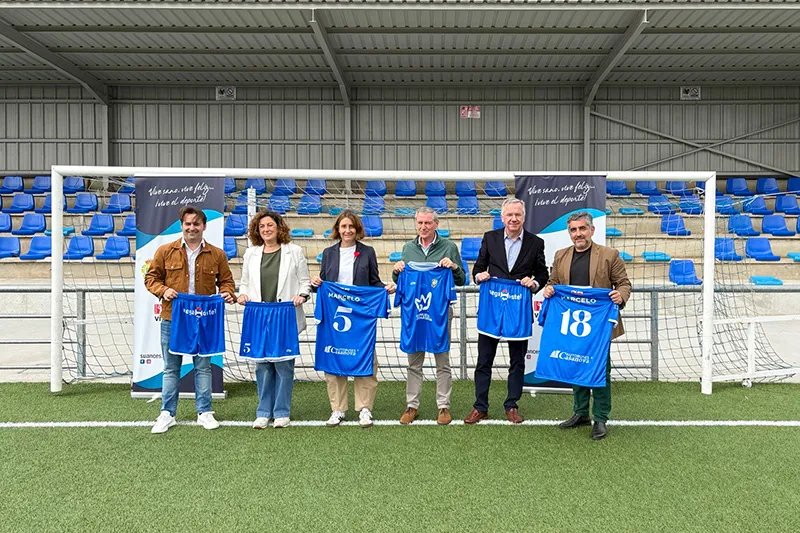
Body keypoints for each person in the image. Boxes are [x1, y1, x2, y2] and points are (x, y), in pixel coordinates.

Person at [145, 205, 236, 434]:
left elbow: (226, 282)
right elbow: (151, 278)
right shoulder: (165, 251)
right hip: (172, 318)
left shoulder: (217, 254)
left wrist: (227, 292)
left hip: (204, 320)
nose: (192, 227)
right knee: (171, 368)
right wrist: (163, 290)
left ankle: (204, 412)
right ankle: (167, 413)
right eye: (188, 224)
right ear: (182, 226)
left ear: (204, 226)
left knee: (203, 367)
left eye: (196, 224)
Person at [543, 211, 631, 440]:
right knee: (576, 367)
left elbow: (623, 283)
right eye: (573, 230)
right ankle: (580, 412)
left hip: (599, 327)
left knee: (600, 370)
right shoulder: (561, 255)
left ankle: (600, 417)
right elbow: (553, 282)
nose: (578, 234)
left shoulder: (610, 255)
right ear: (569, 233)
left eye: (582, 228)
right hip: (571, 326)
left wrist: (620, 296)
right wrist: (549, 288)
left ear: (591, 230)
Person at [465, 197, 549, 425]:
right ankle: (479, 406)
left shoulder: (535, 243)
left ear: (524, 217)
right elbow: (478, 268)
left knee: (517, 361)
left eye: (518, 215)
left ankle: (511, 405)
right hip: (492, 306)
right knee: (484, 360)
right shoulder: (490, 238)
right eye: (509, 215)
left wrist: (534, 284)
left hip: (519, 307)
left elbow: (542, 274)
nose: (513, 219)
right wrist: (478, 276)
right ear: (502, 218)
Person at [310, 210, 395, 429]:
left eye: (351, 226)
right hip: (335, 316)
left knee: (365, 357)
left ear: (357, 229)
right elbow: (324, 282)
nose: (347, 230)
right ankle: (337, 409)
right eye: (343, 226)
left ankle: (365, 408)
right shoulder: (329, 253)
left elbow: (373, 281)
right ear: (337, 229)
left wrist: (385, 288)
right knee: (334, 357)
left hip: (359, 317)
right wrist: (315, 283)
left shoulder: (367, 252)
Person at [237, 210, 311, 429]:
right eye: (262, 227)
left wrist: (302, 295)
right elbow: (244, 282)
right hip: (259, 316)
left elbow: (305, 281)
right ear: (257, 231)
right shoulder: (251, 253)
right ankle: (263, 412)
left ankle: (281, 412)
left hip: (284, 316)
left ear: (279, 227)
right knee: (262, 365)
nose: (266, 229)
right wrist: (242, 295)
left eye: (270, 225)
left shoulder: (294, 252)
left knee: (283, 366)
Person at [392, 206, 466, 425]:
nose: (423, 227)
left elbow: (462, 280)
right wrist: (397, 271)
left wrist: (452, 267)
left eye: (427, 223)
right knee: (414, 363)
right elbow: (399, 282)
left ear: (436, 224)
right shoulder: (408, 248)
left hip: (440, 312)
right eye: (420, 223)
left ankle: (443, 407)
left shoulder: (449, 247)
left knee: (442, 361)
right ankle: (411, 405)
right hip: (414, 313)